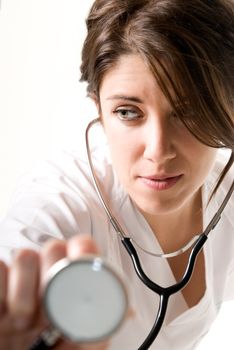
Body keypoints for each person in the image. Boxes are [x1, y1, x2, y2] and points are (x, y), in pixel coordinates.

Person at [0, 0, 233, 349]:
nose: (158, 149)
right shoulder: (58, 204)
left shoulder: (225, 194)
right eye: (128, 112)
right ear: (99, 109)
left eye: (190, 112)